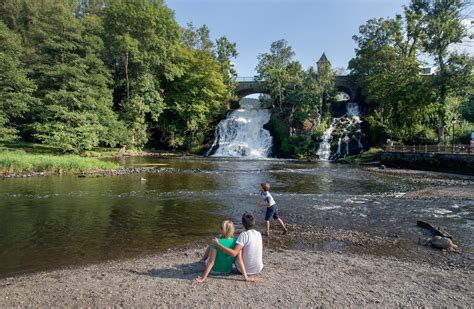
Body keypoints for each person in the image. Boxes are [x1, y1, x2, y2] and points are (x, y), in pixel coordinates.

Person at [212, 213, 262, 281]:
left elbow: (234, 254)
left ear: (242, 224)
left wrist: (218, 244)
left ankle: (208, 261)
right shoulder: (258, 234)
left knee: (235, 250)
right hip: (258, 268)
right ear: (254, 222)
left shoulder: (244, 235)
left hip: (245, 270)